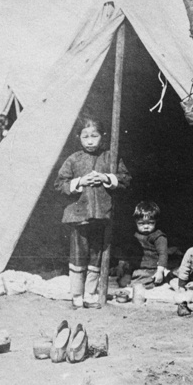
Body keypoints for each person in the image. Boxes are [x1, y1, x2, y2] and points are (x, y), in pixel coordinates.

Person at [54, 118, 131, 308]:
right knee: (79, 255)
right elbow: (59, 184)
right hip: (79, 215)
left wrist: (105, 177)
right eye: (85, 136)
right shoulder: (73, 159)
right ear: (78, 137)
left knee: (97, 255)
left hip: (101, 215)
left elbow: (125, 179)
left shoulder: (109, 157)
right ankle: (77, 294)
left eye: (94, 136)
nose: (90, 141)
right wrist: (80, 182)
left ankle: (90, 293)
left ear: (102, 137)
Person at [130, 201, 170, 287]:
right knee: (123, 280)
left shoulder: (158, 237)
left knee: (143, 283)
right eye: (141, 223)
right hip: (137, 267)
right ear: (135, 222)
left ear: (156, 221)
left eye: (150, 223)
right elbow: (128, 251)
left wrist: (160, 271)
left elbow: (163, 255)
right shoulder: (135, 235)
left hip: (152, 269)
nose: (146, 226)